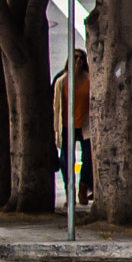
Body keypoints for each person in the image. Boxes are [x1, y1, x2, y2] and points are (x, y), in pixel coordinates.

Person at [53, 49, 92, 206]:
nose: (78, 61)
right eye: (75, 58)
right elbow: (56, 106)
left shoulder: (90, 80)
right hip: (67, 125)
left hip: (85, 125)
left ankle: (83, 188)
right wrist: (55, 129)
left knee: (88, 158)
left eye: (81, 58)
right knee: (66, 160)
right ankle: (70, 192)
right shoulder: (62, 81)